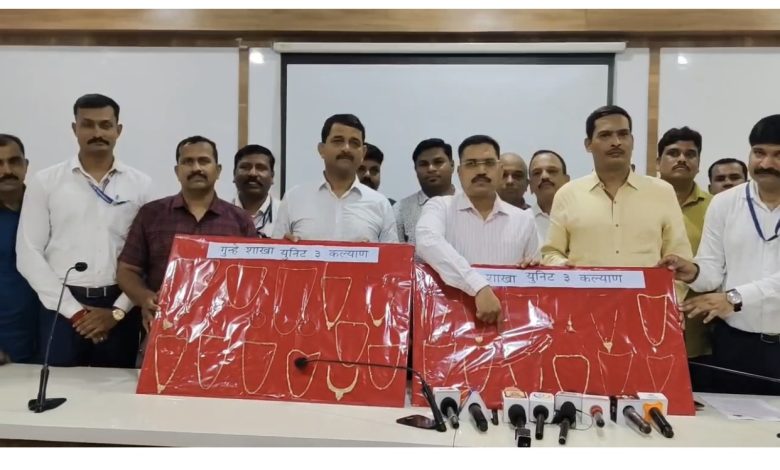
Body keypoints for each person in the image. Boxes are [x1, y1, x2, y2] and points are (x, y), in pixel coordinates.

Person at [16, 94, 151, 368]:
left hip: (120, 306)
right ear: (74, 128)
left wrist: (118, 310)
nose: (97, 133)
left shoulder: (141, 185)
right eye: (87, 124)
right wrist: (74, 312)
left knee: (115, 388)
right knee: (59, 387)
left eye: (105, 125)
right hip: (60, 306)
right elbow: (28, 254)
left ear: (118, 130)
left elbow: (148, 257)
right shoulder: (46, 182)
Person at [659, 114, 780, 396]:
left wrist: (734, 297)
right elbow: (712, 267)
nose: (766, 164)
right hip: (735, 343)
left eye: (778, 155)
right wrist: (693, 271)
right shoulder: (724, 203)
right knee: (730, 419)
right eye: (759, 153)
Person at [117, 136, 257, 331]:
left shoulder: (240, 220)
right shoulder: (151, 214)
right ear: (177, 171)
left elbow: (255, 276)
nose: (196, 168)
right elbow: (127, 270)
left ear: (218, 170)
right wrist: (145, 297)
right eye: (188, 162)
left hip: (223, 331)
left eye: (204, 161)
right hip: (163, 326)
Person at [542, 105, 692, 275]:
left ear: (632, 141)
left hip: (648, 292)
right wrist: (564, 268)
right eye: (605, 135)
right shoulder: (567, 194)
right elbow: (551, 253)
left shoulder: (662, 192)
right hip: (586, 292)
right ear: (588, 144)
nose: (616, 142)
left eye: (623, 134)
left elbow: (680, 258)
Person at [416, 135, 539, 324]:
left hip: (509, 327)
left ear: (500, 170)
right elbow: (427, 242)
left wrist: (534, 268)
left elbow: (534, 285)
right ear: (459, 172)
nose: (481, 171)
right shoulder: (439, 207)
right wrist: (478, 287)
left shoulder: (524, 220)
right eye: (471, 164)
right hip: (449, 324)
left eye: (489, 163)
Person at [272, 114, 397, 243]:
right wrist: (283, 246)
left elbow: (393, 255)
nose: (346, 148)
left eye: (354, 143)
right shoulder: (294, 198)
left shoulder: (380, 204)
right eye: (338, 141)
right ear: (321, 149)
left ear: (363, 153)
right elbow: (273, 251)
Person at [656, 126, 714, 389]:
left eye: (690, 154)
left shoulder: (716, 208)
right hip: (643, 328)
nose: (682, 159)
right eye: (673, 153)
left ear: (699, 163)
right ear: (658, 161)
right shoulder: (638, 203)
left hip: (697, 334)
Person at [0, 134, 40, 363]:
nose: (7, 170)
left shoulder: (46, 207)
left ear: (26, 165)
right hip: (5, 344)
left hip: (51, 339)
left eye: (14, 161)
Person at [394, 138, 456, 245]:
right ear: (415, 169)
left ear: (452, 165)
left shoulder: (470, 204)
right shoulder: (400, 210)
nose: (431, 168)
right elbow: (394, 251)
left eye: (438, 162)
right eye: (423, 164)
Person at [232, 144, 280, 238]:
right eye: (245, 167)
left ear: (272, 176)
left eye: (261, 168)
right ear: (234, 174)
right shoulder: (218, 214)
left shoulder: (285, 214)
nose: (252, 173)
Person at [528, 149, 569, 245]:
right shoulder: (520, 222)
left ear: (567, 180)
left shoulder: (584, 217)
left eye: (552, 171)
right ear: (530, 185)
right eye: (537, 173)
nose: (544, 176)